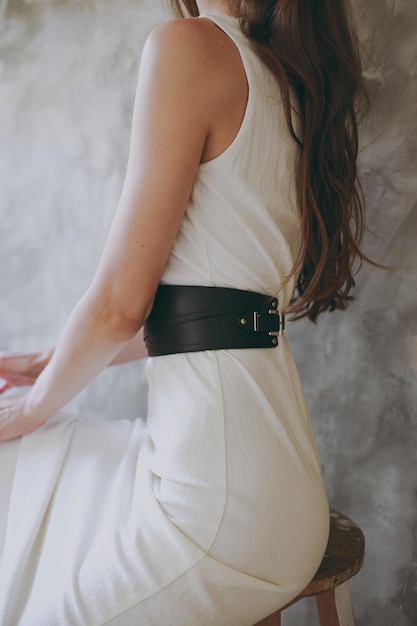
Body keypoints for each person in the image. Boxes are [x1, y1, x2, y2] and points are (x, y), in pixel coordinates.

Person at [0, 0, 369, 624]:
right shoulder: (287, 79)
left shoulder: (191, 48)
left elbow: (122, 303)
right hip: (272, 485)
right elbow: (208, 314)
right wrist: (46, 364)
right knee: (42, 466)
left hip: (221, 507)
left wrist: (38, 403)